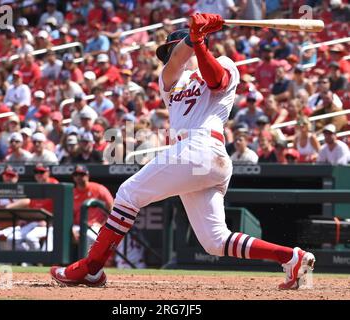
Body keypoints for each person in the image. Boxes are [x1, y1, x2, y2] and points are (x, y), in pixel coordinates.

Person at [51, 13, 315, 290]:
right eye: (167, 51)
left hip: (205, 147)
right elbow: (177, 60)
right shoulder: (170, 80)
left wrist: (197, 41)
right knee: (215, 241)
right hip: (193, 156)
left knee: (128, 194)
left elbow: (215, 81)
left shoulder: (224, 64)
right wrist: (194, 37)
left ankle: (91, 268)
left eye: (173, 48)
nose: (169, 55)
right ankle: (291, 257)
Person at [70, 165, 114, 248]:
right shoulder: (71, 193)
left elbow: (112, 208)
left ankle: (88, 260)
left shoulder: (98, 189)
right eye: (76, 174)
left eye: (81, 174)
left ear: (87, 176)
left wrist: (104, 224)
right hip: (77, 226)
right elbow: (68, 215)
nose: (79, 177)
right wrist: (71, 230)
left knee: (89, 237)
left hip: (95, 226)